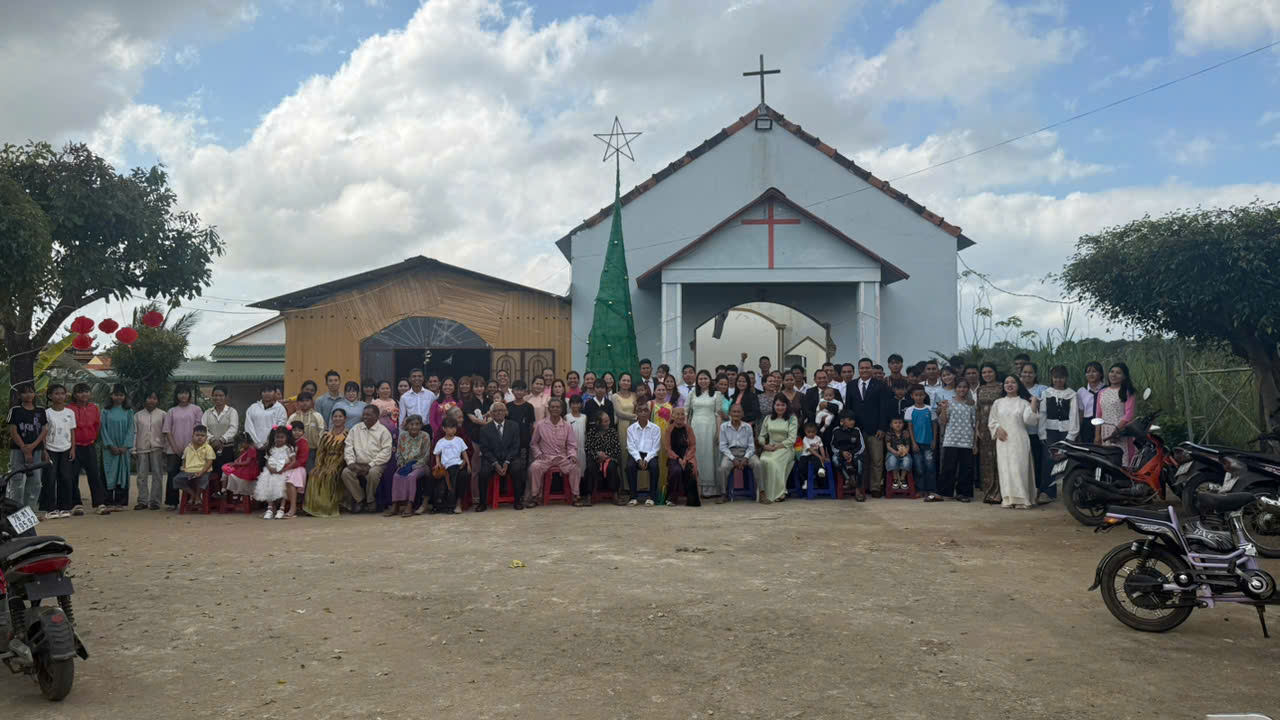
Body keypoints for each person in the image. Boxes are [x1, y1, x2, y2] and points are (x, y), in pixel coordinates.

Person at [989, 375, 1040, 509]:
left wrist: (1033, 403)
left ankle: (1022, 499)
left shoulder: (1023, 403)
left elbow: (1030, 421)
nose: (1009, 385)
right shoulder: (998, 402)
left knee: (1019, 468)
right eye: (1007, 382)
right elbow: (992, 420)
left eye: (1013, 382)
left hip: (1019, 439)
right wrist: (997, 428)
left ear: (1018, 385)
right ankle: (1008, 498)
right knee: (1005, 468)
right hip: (1003, 440)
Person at [849, 358, 891, 497]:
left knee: (877, 460)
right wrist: (850, 428)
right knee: (861, 460)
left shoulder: (880, 385)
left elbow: (884, 408)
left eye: (867, 367)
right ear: (858, 369)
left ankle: (875, 487)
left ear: (872, 369)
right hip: (857, 429)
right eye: (862, 368)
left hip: (875, 429)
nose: (864, 370)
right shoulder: (851, 385)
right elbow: (848, 407)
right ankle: (863, 486)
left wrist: (882, 428)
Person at [528, 397, 580, 506]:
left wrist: (572, 455)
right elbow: (534, 443)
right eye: (552, 407)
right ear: (549, 409)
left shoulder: (567, 425)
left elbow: (571, 444)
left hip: (562, 457)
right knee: (534, 467)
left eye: (557, 407)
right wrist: (538, 454)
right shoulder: (540, 425)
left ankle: (575, 495)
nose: (555, 409)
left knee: (575, 467)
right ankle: (535, 496)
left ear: (561, 409)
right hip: (545, 457)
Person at [475, 402, 528, 510]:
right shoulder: (485, 429)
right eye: (495, 411)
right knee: (483, 472)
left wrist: (507, 462)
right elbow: (485, 449)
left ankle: (518, 501)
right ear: (491, 414)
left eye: (501, 410)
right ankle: (482, 503)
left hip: (510, 458)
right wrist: (495, 463)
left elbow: (515, 446)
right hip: (492, 459)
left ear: (505, 412)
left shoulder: (514, 426)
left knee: (518, 468)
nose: (498, 413)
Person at [1038, 365, 1079, 503]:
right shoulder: (1046, 393)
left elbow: (1074, 415)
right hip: (1050, 431)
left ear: (1066, 378)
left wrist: (1071, 435)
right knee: (1049, 460)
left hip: (1066, 431)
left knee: (1068, 460)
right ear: (1052, 378)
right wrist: (1042, 433)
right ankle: (1048, 492)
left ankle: (1071, 493)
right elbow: (1042, 414)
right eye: (1055, 377)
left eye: (1061, 377)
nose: (1058, 380)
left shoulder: (1071, 394)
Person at [342, 405, 393, 513]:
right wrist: (351, 462)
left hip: (376, 464)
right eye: (364, 414)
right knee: (346, 472)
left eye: (368, 415)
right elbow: (348, 446)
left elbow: (386, 452)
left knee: (373, 473)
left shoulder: (383, 431)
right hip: (357, 463)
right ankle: (360, 499)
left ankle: (370, 500)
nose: (365, 417)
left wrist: (370, 465)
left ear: (376, 416)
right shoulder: (356, 428)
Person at [6, 383, 48, 513]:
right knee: (17, 480)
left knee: (35, 481)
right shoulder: (15, 410)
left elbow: (44, 430)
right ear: (19, 395)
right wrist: (24, 448)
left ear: (35, 394)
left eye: (31, 392)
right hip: (18, 449)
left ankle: (30, 511)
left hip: (37, 449)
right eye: (24, 392)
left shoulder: (41, 410)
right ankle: (15, 511)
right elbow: (13, 431)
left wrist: (34, 447)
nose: (28, 395)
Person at [163, 384, 205, 510]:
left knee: (192, 475)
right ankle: (172, 502)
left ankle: (193, 501)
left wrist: (192, 446)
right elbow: (167, 431)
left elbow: (199, 430)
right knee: (172, 474)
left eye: (186, 393)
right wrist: (175, 448)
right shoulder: (171, 411)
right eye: (181, 393)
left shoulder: (196, 409)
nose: (183, 396)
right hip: (173, 449)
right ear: (176, 395)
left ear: (189, 395)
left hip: (193, 449)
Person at [68, 383, 106, 515]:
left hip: (89, 445)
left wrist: (93, 438)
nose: (84, 394)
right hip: (73, 447)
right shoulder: (69, 409)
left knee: (94, 474)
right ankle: (76, 504)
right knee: (73, 475)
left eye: (86, 391)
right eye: (80, 392)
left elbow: (97, 425)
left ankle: (99, 503)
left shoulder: (94, 408)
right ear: (74, 395)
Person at [303, 409, 349, 518]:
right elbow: (321, 452)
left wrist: (335, 465)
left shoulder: (348, 434)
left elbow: (346, 452)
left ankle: (327, 507)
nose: (337, 419)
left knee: (329, 474)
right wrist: (319, 465)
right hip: (325, 462)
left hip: (340, 462)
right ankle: (313, 507)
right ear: (332, 419)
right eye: (335, 416)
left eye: (340, 416)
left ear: (345, 419)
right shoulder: (326, 435)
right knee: (314, 473)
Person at [938, 378, 977, 502]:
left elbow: (975, 424)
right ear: (955, 389)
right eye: (959, 387)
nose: (962, 389)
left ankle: (963, 493)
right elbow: (943, 421)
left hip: (967, 440)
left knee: (966, 468)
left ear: (968, 389)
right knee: (948, 467)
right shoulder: (949, 403)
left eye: (965, 387)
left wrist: (975, 443)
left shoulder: (971, 404)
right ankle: (945, 492)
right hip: (951, 440)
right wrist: (943, 409)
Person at [689, 370, 724, 499]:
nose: (703, 381)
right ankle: (697, 487)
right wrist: (687, 431)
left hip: (711, 427)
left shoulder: (716, 394)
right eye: (701, 379)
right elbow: (687, 413)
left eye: (705, 378)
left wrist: (718, 432)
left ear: (710, 380)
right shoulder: (692, 393)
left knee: (710, 456)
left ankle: (711, 490)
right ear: (697, 381)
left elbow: (718, 414)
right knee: (697, 455)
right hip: (695, 427)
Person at [757, 396, 798, 503]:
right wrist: (764, 445)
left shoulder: (792, 419)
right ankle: (764, 493)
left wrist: (777, 446)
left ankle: (780, 492)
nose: (780, 407)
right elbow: (761, 436)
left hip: (786, 448)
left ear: (787, 406)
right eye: (777, 405)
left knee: (772, 462)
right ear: (774, 406)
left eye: (782, 405)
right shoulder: (768, 418)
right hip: (769, 448)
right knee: (763, 460)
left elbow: (792, 439)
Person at [716, 403, 760, 503]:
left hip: (746, 452)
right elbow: (723, 446)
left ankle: (761, 492)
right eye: (734, 411)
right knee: (723, 467)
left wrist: (746, 457)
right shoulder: (724, 426)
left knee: (757, 463)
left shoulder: (747, 427)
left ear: (742, 414)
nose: (736, 414)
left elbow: (751, 446)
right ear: (730, 413)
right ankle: (723, 494)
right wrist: (733, 459)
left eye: (738, 412)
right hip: (730, 453)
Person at [100, 384, 134, 511]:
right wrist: (110, 445)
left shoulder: (129, 411)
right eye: (116, 395)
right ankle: (107, 501)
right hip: (109, 449)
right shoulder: (105, 411)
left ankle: (120, 502)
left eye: (121, 395)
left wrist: (125, 446)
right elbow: (102, 429)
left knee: (123, 474)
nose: (118, 397)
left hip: (123, 449)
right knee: (108, 473)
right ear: (111, 395)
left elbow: (131, 429)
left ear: (125, 397)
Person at [904, 385, 941, 502]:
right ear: (912, 396)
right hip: (917, 444)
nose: (919, 397)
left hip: (929, 443)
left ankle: (931, 489)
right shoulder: (909, 410)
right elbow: (910, 427)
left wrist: (934, 440)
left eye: (921, 395)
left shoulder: (930, 409)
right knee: (918, 467)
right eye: (916, 395)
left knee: (930, 467)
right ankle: (920, 489)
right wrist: (913, 442)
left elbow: (934, 426)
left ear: (925, 396)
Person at [388, 415, 429, 517]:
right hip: (405, 464)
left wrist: (413, 467)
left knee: (411, 476)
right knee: (396, 476)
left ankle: (409, 504)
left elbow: (426, 456)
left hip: (420, 465)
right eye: (411, 424)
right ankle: (396, 504)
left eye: (417, 424)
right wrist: (401, 463)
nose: (414, 427)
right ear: (407, 426)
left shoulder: (425, 436)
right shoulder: (403, 436)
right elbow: (398, 453)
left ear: (421, 425)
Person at [1096, 362, 1138, 464]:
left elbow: (1129, 414)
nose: (1114, 375)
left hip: (1121, 431)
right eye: (1112, 372)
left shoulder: (1128, 392)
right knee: (1107, 462)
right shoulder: (1102, 392)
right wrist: (1097, 435)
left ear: (1124, 377)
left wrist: (1116, 431)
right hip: (1105, 432)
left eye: (1118, 373)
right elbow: (1098, 415)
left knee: (1122, 461)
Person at [133, 391, 167, 510]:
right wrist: (133, 449)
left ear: (158, 400)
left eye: (154, 398)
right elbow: (134, 432)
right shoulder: (137, 415)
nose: (152, 400)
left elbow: (166, 432)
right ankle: (142, 500)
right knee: (141, 475)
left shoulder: (163, 414)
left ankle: (155, 501)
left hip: (158, 447)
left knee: (157, 474)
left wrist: (166, 448)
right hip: (141, 447)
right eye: (149, 398)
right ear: (144, 400)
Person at [203, 386, 240, 498]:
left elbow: (233, 428)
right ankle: (212, 499)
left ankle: (227, 499)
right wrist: (212, 439)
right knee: (212, 473)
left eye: (221, 395)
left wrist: (222, 439)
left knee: (226, 473)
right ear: (212, 396)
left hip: (227, 448)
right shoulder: (207, 413)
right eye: (215, 395)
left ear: (226, 397)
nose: (218, 398)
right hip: (211, 448)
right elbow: (204, 428)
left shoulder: (232, 411)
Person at [975, 363, 1003, 504]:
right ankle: (988, 492)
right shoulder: (980, 389)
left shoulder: (1002, 387)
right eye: (984, 372)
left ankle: (1000, 492)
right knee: (986, 460)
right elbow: (978, 409)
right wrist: (977, 428)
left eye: (990, 371)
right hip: (984, 429)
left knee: (999, 458)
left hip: (998, 427)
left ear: (995, 372)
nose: (987, 374)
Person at [660, 407, 699, 506]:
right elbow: (668, 448)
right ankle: (672, 497)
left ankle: (692, 499)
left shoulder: (688, 429)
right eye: (677, 414)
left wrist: (686, 459)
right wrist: (678, 459)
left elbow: (693, 446)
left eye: (682, 414)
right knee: (676, 470)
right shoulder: (669, 429)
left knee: (691, 469)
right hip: (674, 457)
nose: (680, 416)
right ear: (673, 416)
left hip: (687, 456)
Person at [429, 417, 468, 514]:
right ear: (444, 429)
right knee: (442, 485)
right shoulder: (441, 442)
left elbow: (464, 452)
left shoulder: (459, 440)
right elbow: (437, 454)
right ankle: (440, 505)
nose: (453, 430)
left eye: (454, 427)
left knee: (453, 483)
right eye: (450, 427)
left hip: (457, 465)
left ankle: (453, 505)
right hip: (445, 467)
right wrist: (438, 463)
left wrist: (468, 464)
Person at [172, 424, 216, 511]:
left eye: (202, 436)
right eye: (197, 435)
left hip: (203, 471)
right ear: (192, 436)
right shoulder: (188, 448)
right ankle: (194, 495)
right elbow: (184, 460)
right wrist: (183, 468)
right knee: (176, 480)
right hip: (188, 471)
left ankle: (197, 496)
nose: (200, 437)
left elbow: (209, 462)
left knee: (203, 479)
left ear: (206, 437)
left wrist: (202, 472)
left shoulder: (208, 448)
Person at [625, 402, 661, 506]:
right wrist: (638, 459)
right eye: (640, 411)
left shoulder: (655, 428)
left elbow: (655, 448)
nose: (643, 413)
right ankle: (633, 497)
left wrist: (646, 459)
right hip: (635, 454)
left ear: (649, 413)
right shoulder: (631, 428)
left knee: (654, 466)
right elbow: (631, 447)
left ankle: (652, 497)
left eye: (646, 410)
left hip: (650, 454)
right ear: (636, 413)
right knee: (629, 466)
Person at [255, 426, 295, 519]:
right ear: (274, 437)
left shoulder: (288, 448)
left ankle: (281, 508)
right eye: (277, 437)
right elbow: (267, 461)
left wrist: (284, 469)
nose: (279, 439)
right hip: (271, 471)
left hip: (283, 471)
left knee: (282, 486)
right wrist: (270, 469)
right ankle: (270, 508)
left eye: (282, 437)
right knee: (268, 484)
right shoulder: (271, 448)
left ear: (286, 438)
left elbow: (293, 461)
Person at [831, 412, 865, 500]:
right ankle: (849, 479)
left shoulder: (856, 430)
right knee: (834, 459)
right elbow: (833, 446)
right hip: (841, 454)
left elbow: (861, 447)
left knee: (860, 463)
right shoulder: (836, 431)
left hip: (854, 455)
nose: (852, 422)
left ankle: (858, 490)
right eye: (849, 420)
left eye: (853, 420)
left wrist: (851, 454)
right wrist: (842, 452)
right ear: (842, 421)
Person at [288, 391, 325, 471]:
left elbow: (322, 433)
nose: (304, 403)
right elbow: (287, 433)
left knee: (310, 472)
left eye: (307, 400)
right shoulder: (293, 417)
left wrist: (319, 450)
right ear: (297, 403)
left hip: (313, 450)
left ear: (312, 402)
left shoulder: (317, 416)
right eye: (302, 401)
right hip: (295, 451)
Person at [244, 383, 288, 448]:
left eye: (270, 391)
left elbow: (281, 426)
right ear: (261, 393)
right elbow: (248, 427)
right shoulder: (253, 408)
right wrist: (257, 443)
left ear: (275, 393)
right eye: (264, 391)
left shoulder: (280, 408)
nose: (267, 394)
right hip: (254, 446)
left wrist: (269, 442)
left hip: (274, 446)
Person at [1076, 361, 1105, 444]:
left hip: (1104, 422)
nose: (1091, 374)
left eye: (1094, 371)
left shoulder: (1106, 390)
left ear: (1101, 374)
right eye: (1088, 372)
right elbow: (1081, 412)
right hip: (1087, 424)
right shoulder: (1081, 391)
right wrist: (1078, 431)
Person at [797, 421, 829, 488]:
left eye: (813, 432)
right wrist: (820, 456)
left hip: (814, 456)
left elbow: (821, 447)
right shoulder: (805, 439)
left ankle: (821, 469)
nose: (811, 434)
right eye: (808, 432)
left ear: (816, 431)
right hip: (805, 455)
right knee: (801, 465)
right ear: (805, 432)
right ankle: (805, 480)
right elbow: (810, 449)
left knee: (816, 460)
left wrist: (823, 456)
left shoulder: (818, 438)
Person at [884, 417, 912, 492]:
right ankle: (895, 478)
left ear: (903, 424)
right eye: (895, 423)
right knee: (892, 460)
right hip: (892, 452)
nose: (898, 424)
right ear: (891, 425)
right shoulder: (889, 433)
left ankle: (902, 478)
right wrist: (895, 452)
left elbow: (908, 445)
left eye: (900, 423)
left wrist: (906, 451)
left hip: (904, 453)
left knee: (907, 460)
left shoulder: (905, 433)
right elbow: (888, 446)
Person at [613, 372, 637, 450]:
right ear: (619, 382)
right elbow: (619, 413)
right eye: (624, 380)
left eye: (628, 381)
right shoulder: (615, 396)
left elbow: (637, 409)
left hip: (634, 426)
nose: (626, 382)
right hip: (622, 426)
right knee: (624, 449)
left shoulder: (634, 395)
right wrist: (636, 416)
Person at [566, 394, 588, 474]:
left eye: (578, 403)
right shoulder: (567, 417)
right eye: (573, 403)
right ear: (570, 405)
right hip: (571, 449)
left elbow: (585, 432)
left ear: (581, 404)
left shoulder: (584, 417)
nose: (575, 405)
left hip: (582, 447)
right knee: (572, 468)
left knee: (582, 468)